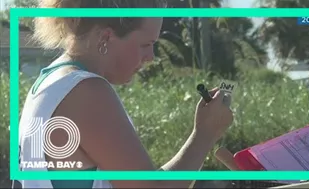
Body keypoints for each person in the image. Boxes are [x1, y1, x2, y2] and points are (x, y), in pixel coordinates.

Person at [17, 0, 234, 188]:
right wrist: (205, 134)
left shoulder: (50, 83)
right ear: (106, 37)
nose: (150, 56)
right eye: (145, 44)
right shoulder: (86, 91)